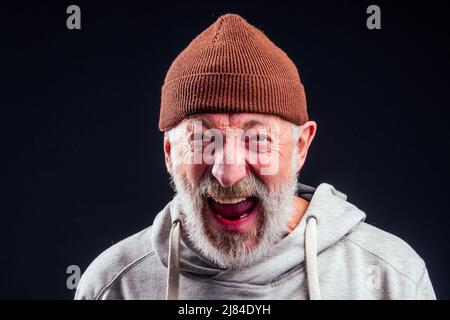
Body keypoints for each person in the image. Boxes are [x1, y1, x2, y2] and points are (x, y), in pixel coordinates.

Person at [75, 14, 435, 300]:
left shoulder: (391, 277)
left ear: (300, 147)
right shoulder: (113, 287)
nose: (228, 172)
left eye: (257, 139)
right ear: (169, 153)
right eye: (202, 139)